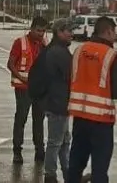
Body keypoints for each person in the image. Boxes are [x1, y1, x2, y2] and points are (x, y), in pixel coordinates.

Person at [66, 16, 117, 183]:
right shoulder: (111, 55)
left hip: (80, 117)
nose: (116, 35)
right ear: (107, 31)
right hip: (101, 121)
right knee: (99, 169)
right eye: (114, 32)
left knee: (75, 164)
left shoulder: (79, 50)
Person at [8, 16, 49, 164]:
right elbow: (11, 64)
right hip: (23, 88)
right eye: (38, 30)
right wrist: (21, 77)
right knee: (21, 118)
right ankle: (17, 151)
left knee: (39, 120)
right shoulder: (20, 43)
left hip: (40, 89)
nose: (41, 34)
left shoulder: (44, 44)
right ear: (31, 28)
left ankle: (40, 150)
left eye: (43, 31)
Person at [40, 19, 74, 183]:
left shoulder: (55, 50)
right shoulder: (58, 52)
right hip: (58, 102)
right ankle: (50, 175)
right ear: (59, 32)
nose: (71, 34)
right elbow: (71, 75)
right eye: (68, 31)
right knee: (55, 142)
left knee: (64, 140)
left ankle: (68, 172)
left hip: (60, 102)